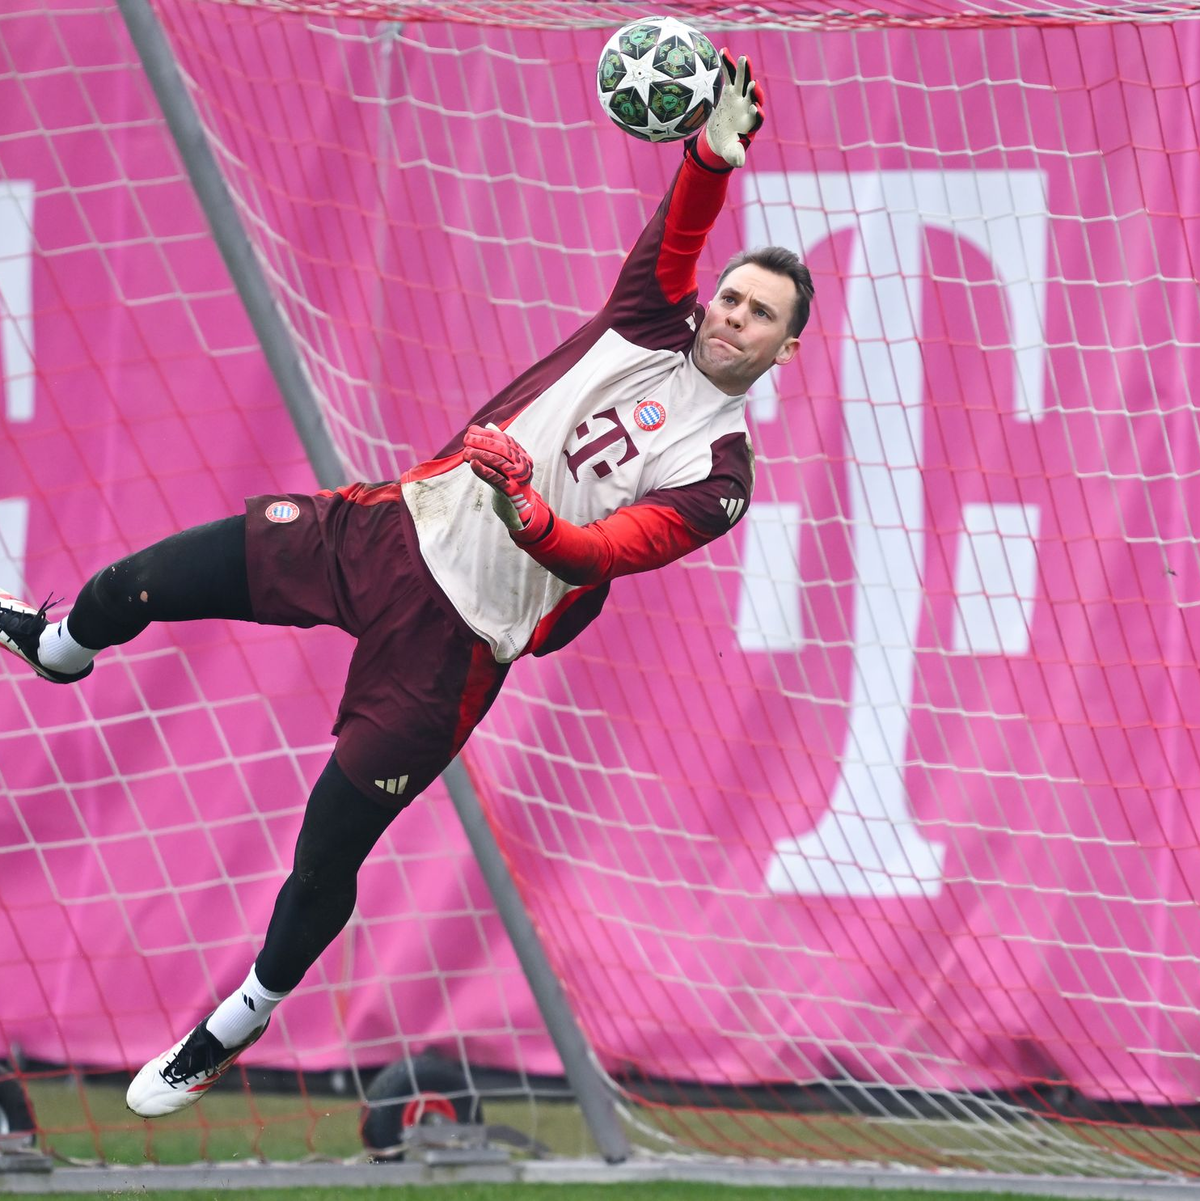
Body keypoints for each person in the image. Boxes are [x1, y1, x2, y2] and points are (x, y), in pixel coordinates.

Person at [0, 51, 812, 1119]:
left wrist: (527, 506)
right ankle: (62, 649)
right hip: (382, 531)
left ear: (786, 350)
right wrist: (714, 146)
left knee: (327, 844)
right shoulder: (649, 316)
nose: (732, 316)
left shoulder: (724, 475)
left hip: (454, 649)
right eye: (735, 298)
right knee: (140, 581)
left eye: (760, 316)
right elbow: (684, 224)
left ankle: (242, 1012)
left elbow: (603, 553)